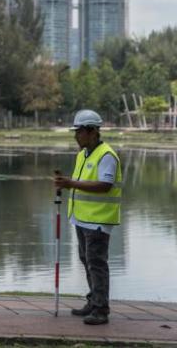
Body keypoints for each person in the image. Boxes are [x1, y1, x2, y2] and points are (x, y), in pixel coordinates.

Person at [54, 109, 122, 326]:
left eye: (79, 132)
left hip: (99, 221)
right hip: (82, 219)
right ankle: (93, 301)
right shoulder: (83, 154)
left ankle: (101, 309)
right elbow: (81, 183)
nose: (76, 136)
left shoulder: (107, 155)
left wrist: (71, 183)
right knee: (87, 261)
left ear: (92, 132)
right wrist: (66, 183)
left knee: (97, 263)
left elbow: (104, 185)